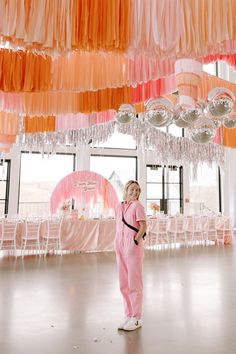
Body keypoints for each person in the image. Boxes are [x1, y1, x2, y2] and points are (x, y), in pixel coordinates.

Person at [115, 180, 147, 331]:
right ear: (126, 190)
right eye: (132, 190)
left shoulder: (138, 206)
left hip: (132, 246)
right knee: (123, 282)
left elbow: (144, 226)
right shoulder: (119, 206)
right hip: (120, 245)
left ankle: (136, 317)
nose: (135, 193)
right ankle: (128, 314)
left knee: (134, 282)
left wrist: (135, 240)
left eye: (137, 190)